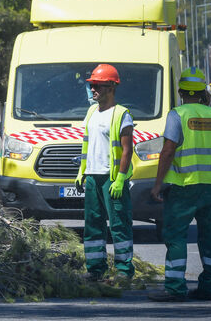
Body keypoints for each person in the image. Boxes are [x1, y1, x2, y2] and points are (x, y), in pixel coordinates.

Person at [148, 67, 211, 302]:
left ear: (180, 91)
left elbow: (168, 151)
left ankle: (175, 288)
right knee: (210, 237)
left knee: (176, 237)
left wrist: (157, 184)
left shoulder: (177, 115)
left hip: (183, 187)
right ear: (202, 91)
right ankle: (209, 288)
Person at [74, 63, 135, 281]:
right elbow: (86, 145)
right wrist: (82, 172)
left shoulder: (121, 115)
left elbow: (127, 151)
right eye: (91, 85)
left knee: (119, 225)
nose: (93, 89)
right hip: (92, 178)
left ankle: (124, 271)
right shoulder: (91, 112)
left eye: (97, 85)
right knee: (93, 226)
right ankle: (95, 269)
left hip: (111, 180)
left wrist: (120, 178)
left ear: (111, 87)